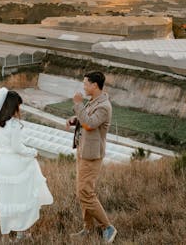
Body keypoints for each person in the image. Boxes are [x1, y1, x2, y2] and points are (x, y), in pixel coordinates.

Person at [0, 88, 53, 243]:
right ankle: (21, 232)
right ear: (13, 106)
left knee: (5, 200)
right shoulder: (14, 125)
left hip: (1, 164)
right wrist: (33, 152)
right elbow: (18, 148)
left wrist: (4, 149)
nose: (19, 110)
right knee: (22, 197)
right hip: (15, 165)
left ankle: (5, 236)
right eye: (18, 106)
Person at [66, 71, 117, 244]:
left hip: (91, 155)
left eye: (86, 84)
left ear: (94, 85)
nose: (83, 87)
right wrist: (75, 119)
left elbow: (89, 124)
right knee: (83, 191)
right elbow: (86, 118)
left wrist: (78, 105)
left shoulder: (104, 106)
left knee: (85, 192)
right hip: (83, 150)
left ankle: (107, 227)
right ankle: (88, 228)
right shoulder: (94, 101)